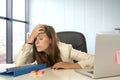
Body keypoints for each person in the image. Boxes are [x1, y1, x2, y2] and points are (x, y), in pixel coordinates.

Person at [15, 24, 94, 69]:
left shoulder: (65, 49)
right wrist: (29, 40)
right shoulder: (36, 52)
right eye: (34, 39)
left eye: (41, 38)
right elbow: (19, 64)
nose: (36, 42)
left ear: (50, 40)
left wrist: (71, 65)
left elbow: (94, 59)